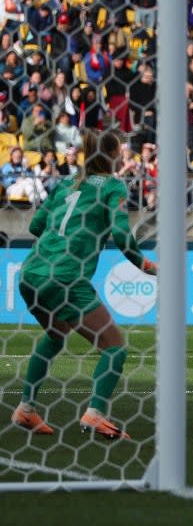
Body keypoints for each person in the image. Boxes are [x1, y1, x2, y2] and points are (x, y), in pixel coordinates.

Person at [11, 129, 157, 440]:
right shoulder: (113, 186)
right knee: (114, 347)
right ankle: (95, 414)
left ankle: (26, 408)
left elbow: (37, 225)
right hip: (66, 277)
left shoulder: (65, 183)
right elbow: (121, 233)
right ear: (113, 154)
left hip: (31, 272)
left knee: (55, 335)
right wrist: (144, 264)